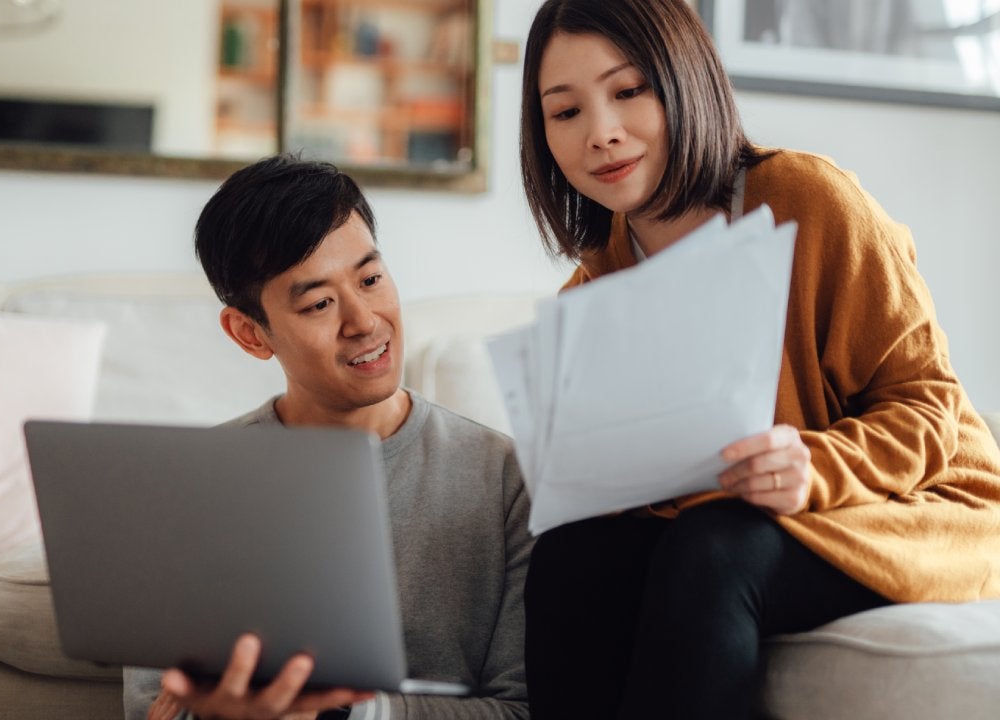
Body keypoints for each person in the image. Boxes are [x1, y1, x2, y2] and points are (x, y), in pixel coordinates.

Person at [516, 1, 1000, 718]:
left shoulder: (809, 200)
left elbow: (928, 406)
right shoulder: (595, 288)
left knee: (714, 548)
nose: (602, 133)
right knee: (572, 554)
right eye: (566, 113)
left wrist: (814, 465)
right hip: (744, 522)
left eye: (628, 91)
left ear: (685, 78)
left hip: (915, 508)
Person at [122, 154, 532, 720]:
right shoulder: (193, 485)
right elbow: (155, 709)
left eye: (370, 279)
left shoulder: (505, 476)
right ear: (250, 333)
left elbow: (525, 708)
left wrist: (344, 713)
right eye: (318, 304)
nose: (364, 320)